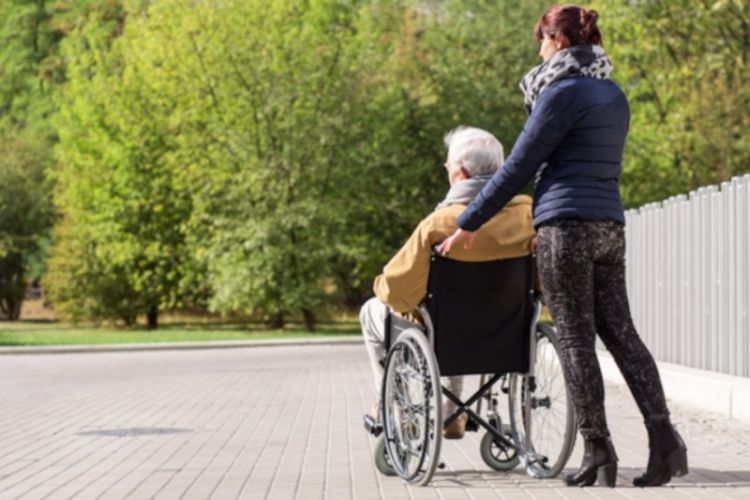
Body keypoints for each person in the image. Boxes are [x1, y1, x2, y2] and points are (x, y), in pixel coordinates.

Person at [438, 4, 688, 488]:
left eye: (541, 41)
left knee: (575, 339)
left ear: (556, 42)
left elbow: (517, 168)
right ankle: (665, 442)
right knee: (623, 335)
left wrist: (469, 222)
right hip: (609, 226)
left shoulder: (560, 93)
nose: (538, 50)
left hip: (565, 229)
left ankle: (598, 450)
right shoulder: (614, 94)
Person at [360, 126, 534, 439]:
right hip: (505, 331)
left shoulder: (439, 225)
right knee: (455, 317)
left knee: (374, 310)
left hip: (444, 331)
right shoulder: (529, 217)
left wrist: (381, 285)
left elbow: (398, 290)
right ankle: (452, 412)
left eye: (448, 167)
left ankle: (395, 409)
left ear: (460, 173)